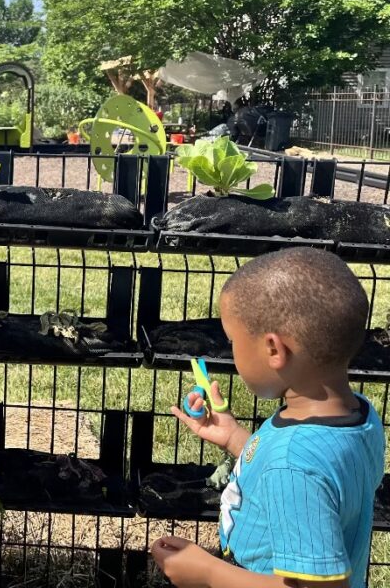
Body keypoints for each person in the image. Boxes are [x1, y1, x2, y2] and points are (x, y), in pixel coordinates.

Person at [151, 248, 385, 588]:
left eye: (233, 341)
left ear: (274, 349)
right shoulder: (359, 415)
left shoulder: (294, 465)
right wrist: (233, 437)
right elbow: (319, 479)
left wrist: (207, 573)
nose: (233, 351)